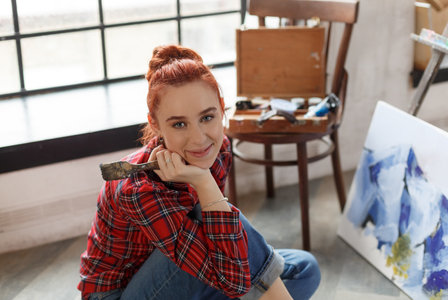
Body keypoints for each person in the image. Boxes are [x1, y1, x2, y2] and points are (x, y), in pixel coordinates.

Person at [78, 45, 321, 300]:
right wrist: (204, 182)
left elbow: (224, 260)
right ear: (155, 124)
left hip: (185, 278)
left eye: (207, 118)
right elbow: (234, 279)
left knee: (304, 269)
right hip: (123, 293)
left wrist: (203, 182)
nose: (199, 139)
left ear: (221, 108)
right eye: (179, 124)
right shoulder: (138, 191)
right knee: (210, 218)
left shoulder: (220, 149)